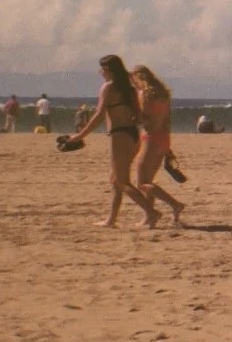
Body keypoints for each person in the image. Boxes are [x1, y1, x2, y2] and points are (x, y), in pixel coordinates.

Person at [70, 55, 158, 228]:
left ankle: (151, 212)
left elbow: (99, 115)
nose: (100, 72)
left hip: (119, 136)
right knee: (116, 179)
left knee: (120, 181)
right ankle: (111, 220)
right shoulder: (129, 88)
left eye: (102, 69)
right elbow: (139, 116)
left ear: (108, 70)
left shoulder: (108, 88)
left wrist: (79, 136)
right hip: (133, 136)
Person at [132, 65, 185, 225]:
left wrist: (132, 116)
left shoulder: (144, 94)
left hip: (150, 138)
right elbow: (166, 121)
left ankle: (175, 205)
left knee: (141, 183)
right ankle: (149, 218)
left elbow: (145, 119)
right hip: (163, 137)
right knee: (149, 180)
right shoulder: (163, 95)